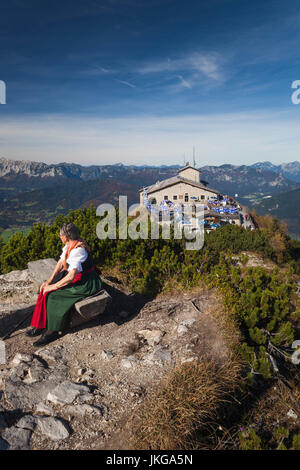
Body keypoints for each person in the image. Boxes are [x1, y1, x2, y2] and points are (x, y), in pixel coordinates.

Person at [26, 223, 102, 347]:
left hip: (86, 282)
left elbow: (71, 276)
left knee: (54, 296)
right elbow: (61, 262)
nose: (59, 237)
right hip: (78, 277)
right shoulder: (70, 245)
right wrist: (49, 281)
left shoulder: (79, 250)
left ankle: (52, 330)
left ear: (66, 237)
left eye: (61, 235)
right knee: (44, 289)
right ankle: (42, 324)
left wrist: (53, 287)